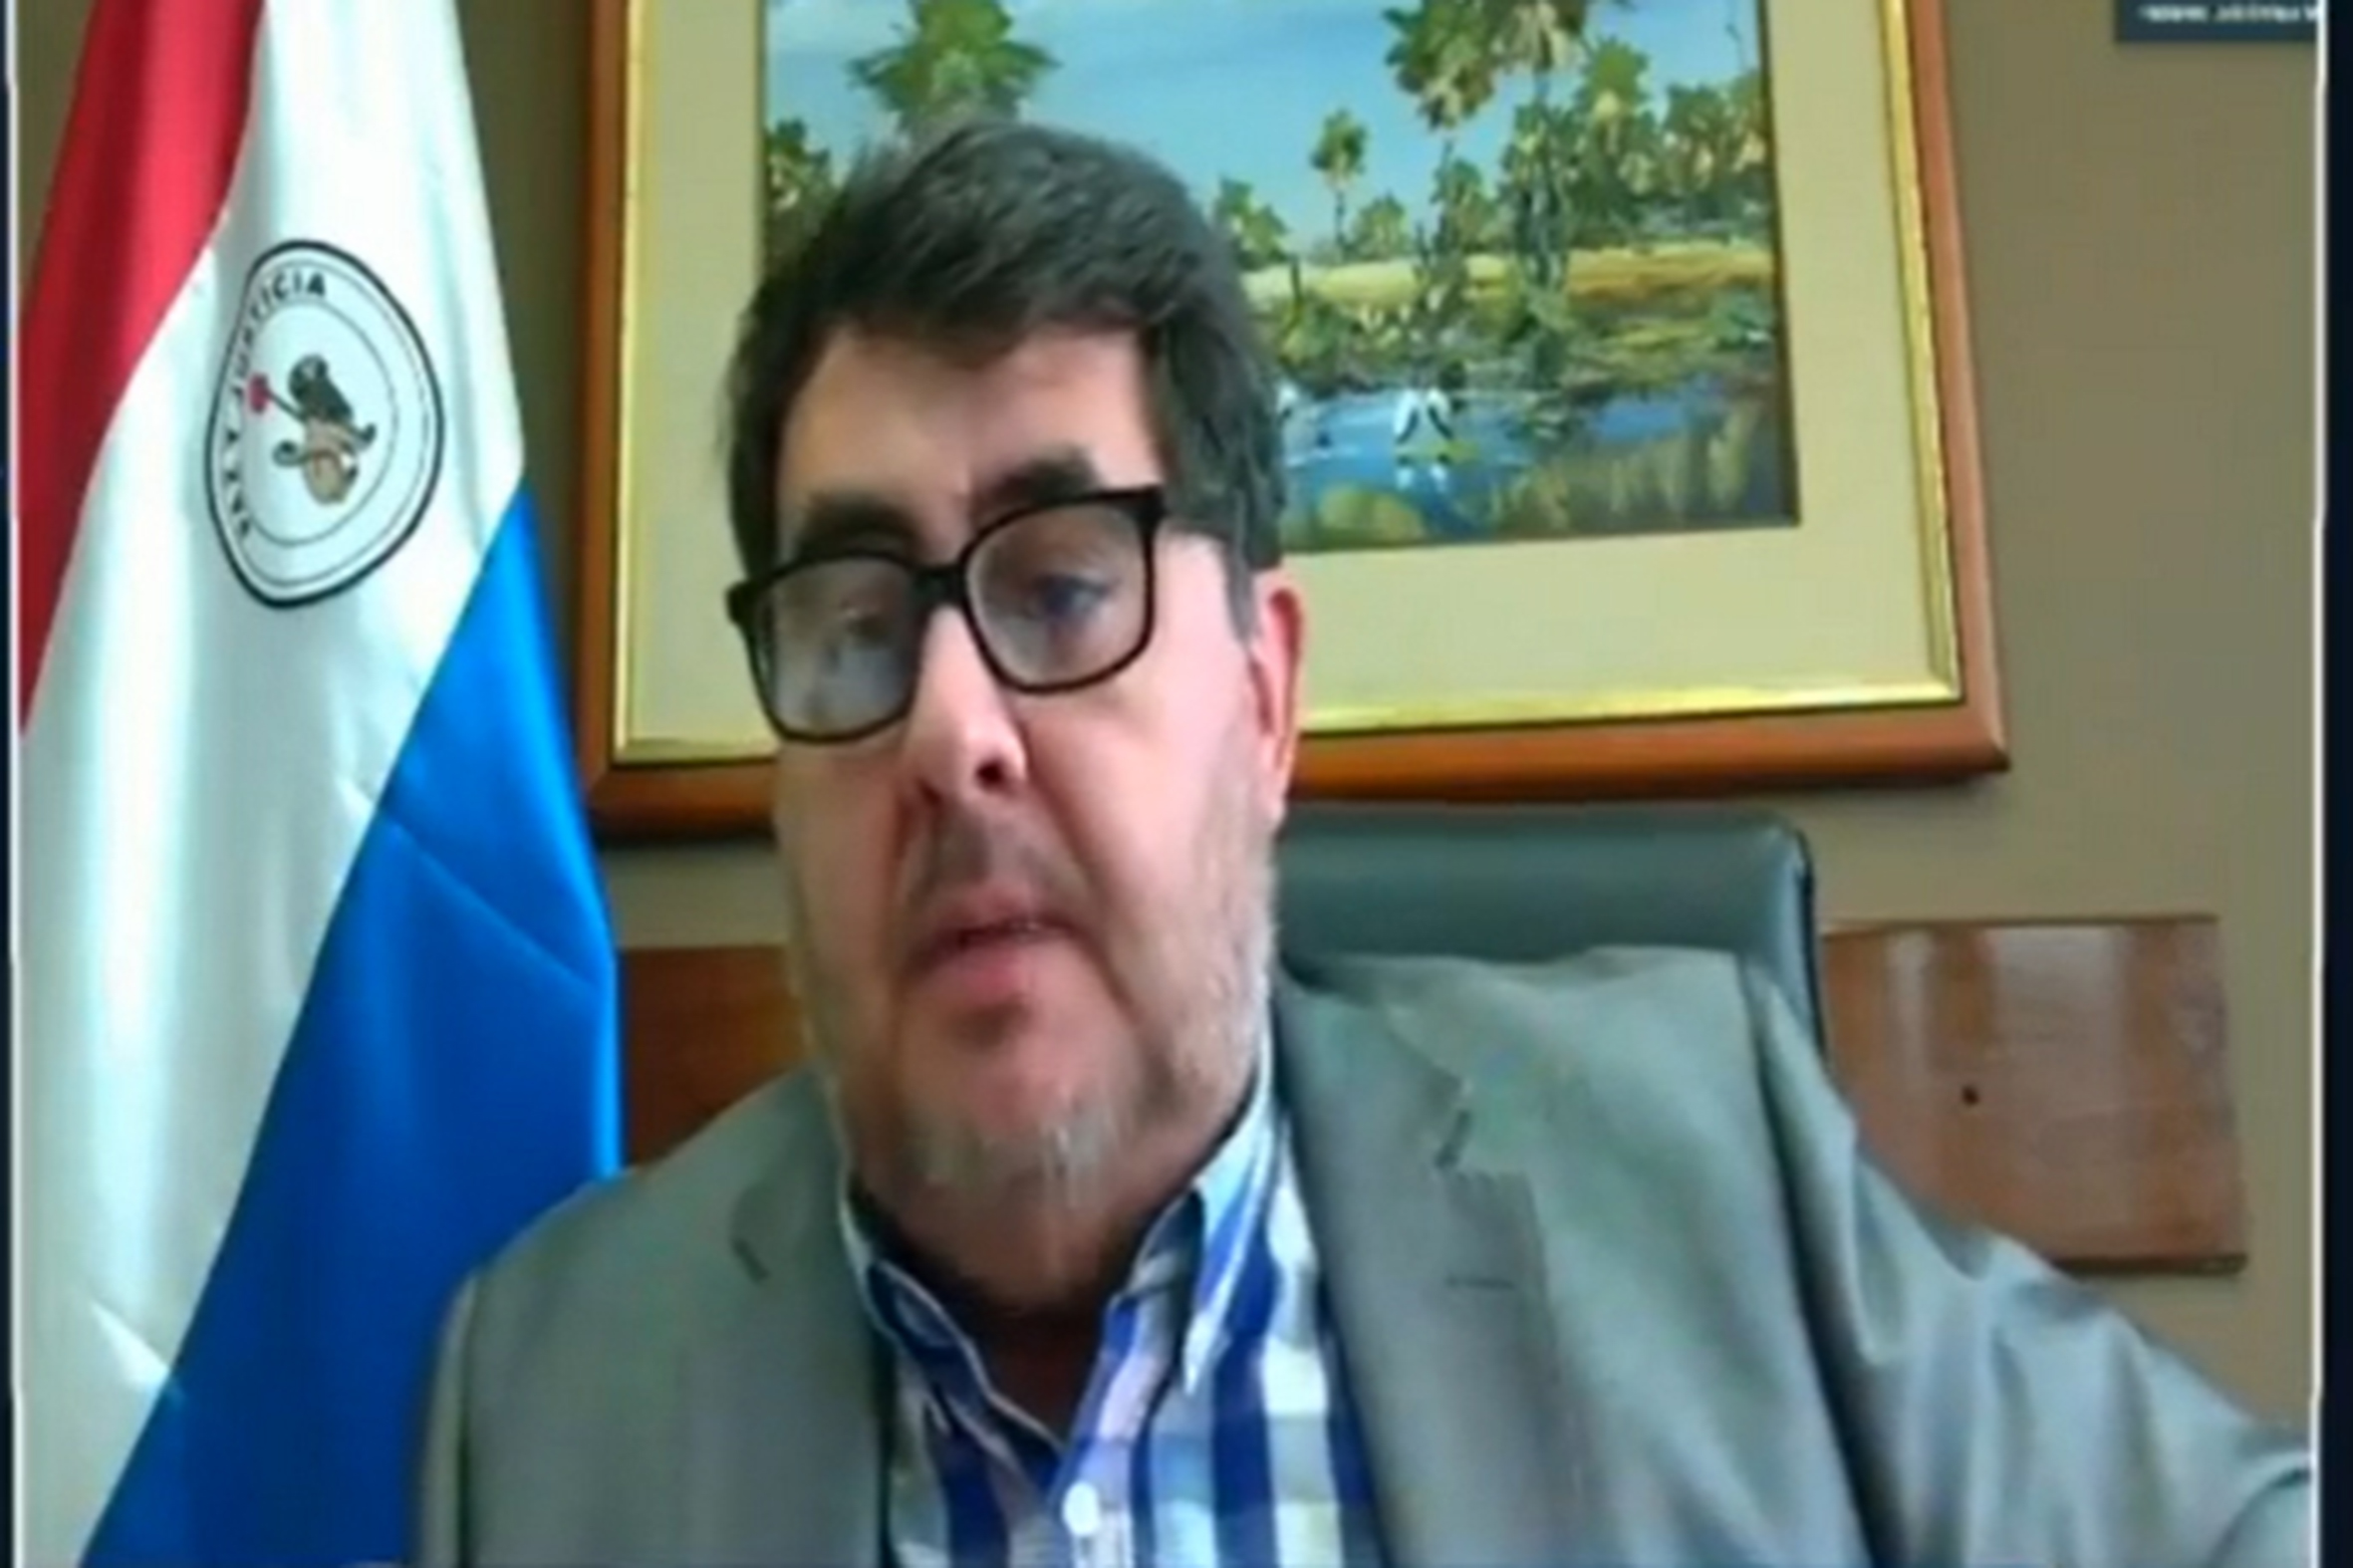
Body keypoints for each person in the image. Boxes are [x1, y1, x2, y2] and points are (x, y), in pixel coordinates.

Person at [411, 118, 2311, 1567]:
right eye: (854, 622)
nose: (949, 731)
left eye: (1061, 589)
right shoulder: (554, 1386)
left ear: (1265, 698)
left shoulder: (1697, 1160)